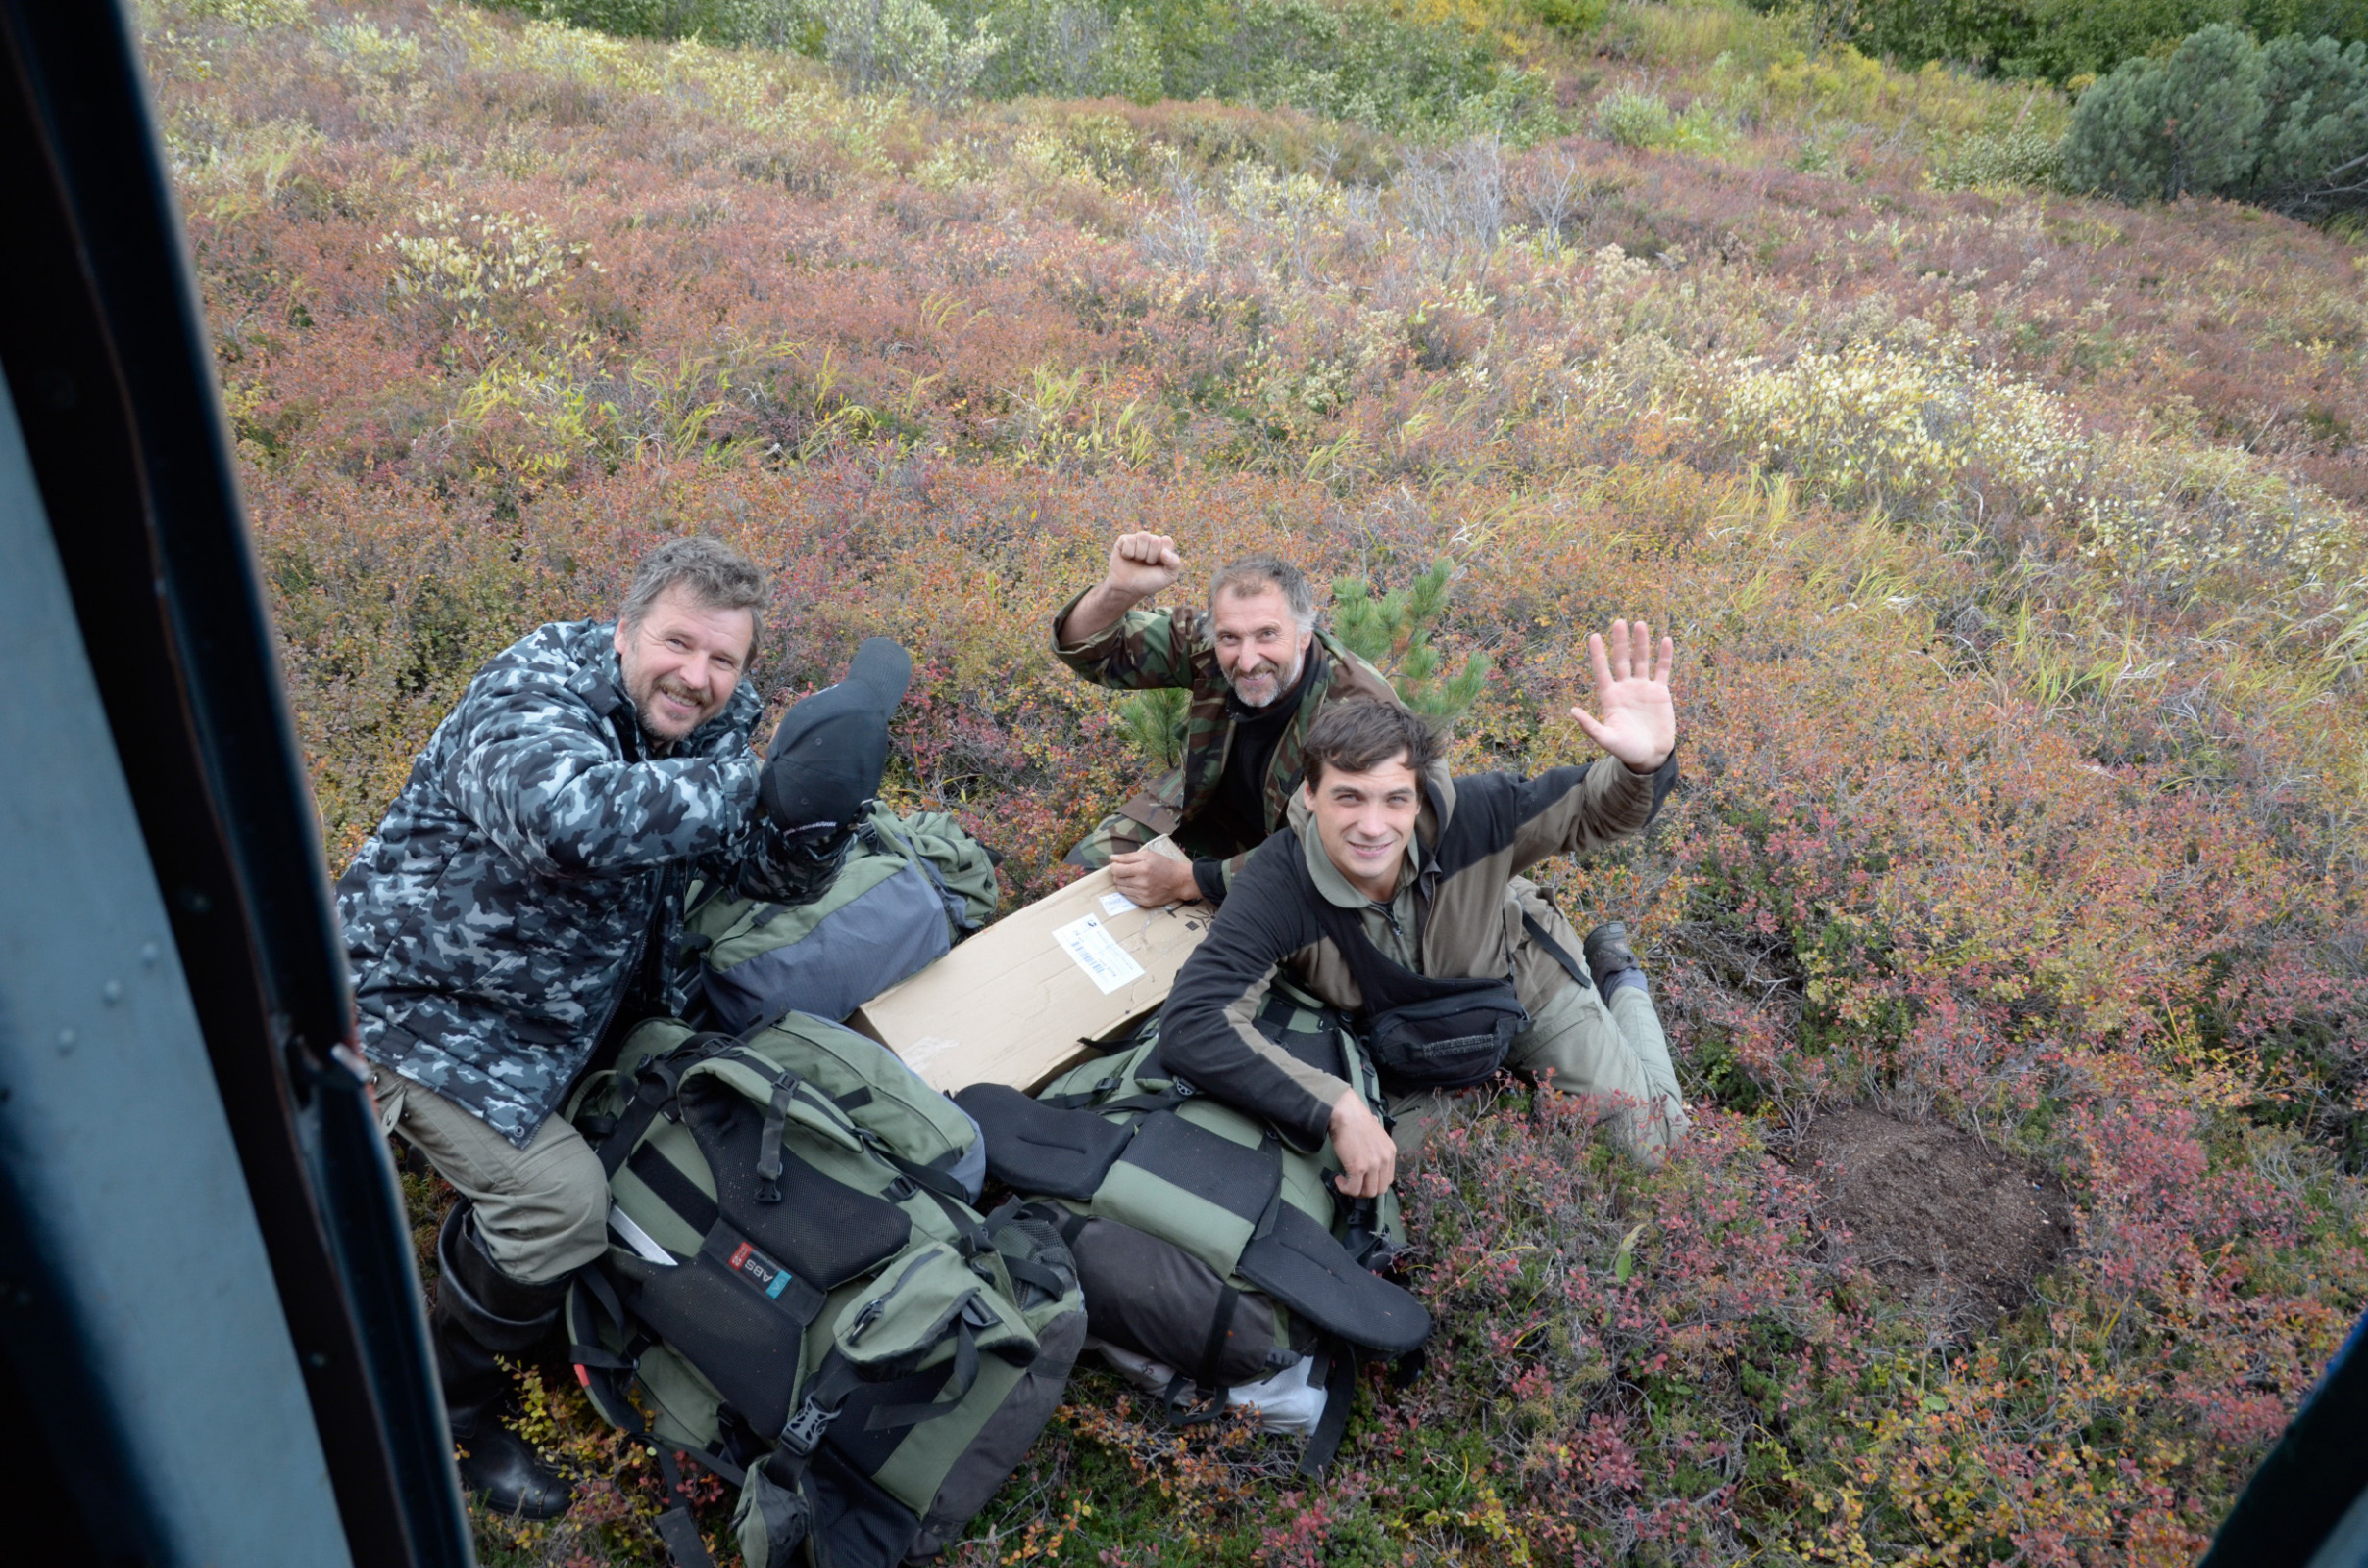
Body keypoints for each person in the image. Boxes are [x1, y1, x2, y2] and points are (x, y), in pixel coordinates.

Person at [337, 537, 908, 1519]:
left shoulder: (713, 728)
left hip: (573, 1020)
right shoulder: (534, 688)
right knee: (562, 1206)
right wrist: (754, 783)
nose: (697, 676)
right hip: (418, 1009)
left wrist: (815, 817)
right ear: (624, 629)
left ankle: (520, 1291)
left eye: (723, 660)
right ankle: (447, 1406)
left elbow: (752, 868)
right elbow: (565, 823)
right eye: (677, 643)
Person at [1159, 620, 1690, 1191]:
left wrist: (1643, 765)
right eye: (1348, 797)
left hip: (1527, 984)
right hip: (1409, 1035)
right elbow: (1195, 1021)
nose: (1372, 826)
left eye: (1395, 799)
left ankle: (1619, 979)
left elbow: (1591, 808)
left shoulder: (1478, 815)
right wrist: (1336, 1105)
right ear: (1310, 795)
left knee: (1653, 1151)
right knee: (1407, 1191)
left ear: (1419, 799)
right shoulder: (1277, 882)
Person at [1053, 533, 1402, 909]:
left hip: (1292, 857)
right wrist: (1117, 591)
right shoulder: (1209, 641)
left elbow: (1343, 852)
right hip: (1197, 810)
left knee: (1237, 958)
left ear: (1304, 634)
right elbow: (1089, 649)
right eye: (1230, 638)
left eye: (1267, 635)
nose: (1248, 660)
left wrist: (1189, 881)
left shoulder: (1359, 714)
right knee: (1079, 882)